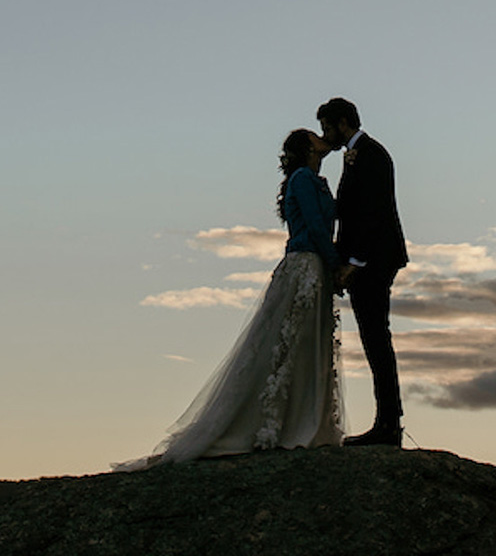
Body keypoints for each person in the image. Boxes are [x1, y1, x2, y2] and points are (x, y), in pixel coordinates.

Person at [126, 130, 343, 464]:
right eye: (315, 138)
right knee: (289, 343)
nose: (322, 140)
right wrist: (334, 263)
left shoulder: (316, 180)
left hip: (315, 268)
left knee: (306, 343)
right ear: (307, 149)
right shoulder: (302, 179)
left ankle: (303, 419)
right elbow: (314, 226)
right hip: (305, 266)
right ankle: (278, 424)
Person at [317, 96, 408, 447]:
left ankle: (388, 424)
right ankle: (387, 422)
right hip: (369, 258)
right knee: (374, 339)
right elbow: (352, 213)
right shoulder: (357, 156)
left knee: (377, 339)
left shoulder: (371, 155)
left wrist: (354, 263)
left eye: (327, 127)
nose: (326, 135)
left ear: (342, 123)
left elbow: (371, 214)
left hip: (375, 260)